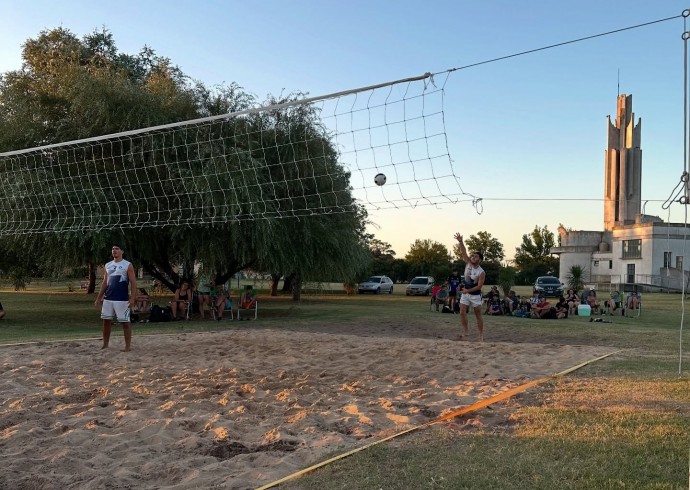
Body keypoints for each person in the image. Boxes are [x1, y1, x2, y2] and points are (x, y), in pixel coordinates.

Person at [95, 243, 137, 351]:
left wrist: (132, 298)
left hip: (122, 299)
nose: (114, 251)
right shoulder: (108, 265)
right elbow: (105, 282)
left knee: (125, 322)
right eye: (113, 249)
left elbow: (133, 282)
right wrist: (99, 297)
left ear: (122, 251)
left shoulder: (127, 265)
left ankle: (127, 346)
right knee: (106, 321)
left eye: (117, 249)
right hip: (108, 298)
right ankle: (105, 344)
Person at [453, 233, 486, 341]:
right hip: (465, 293)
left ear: (480, 259)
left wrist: (467, 290)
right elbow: (463, 252)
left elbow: (479, 286)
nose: (472, 257)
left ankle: (480, 335)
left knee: (478, 314)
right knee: (462, 312)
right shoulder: (468, 263)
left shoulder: (481, 272)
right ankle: (465, 332)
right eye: (472, 255)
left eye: (476, 256)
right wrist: (461, 241)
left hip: (475, 295)